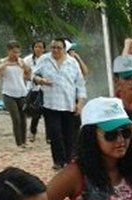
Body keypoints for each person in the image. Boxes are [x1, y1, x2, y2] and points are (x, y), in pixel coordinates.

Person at [32, 37, 87, 169]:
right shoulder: (44, 59)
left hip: (68, 104)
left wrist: (80, 102)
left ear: (64, 49)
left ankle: (69, 160)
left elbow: (80, 83)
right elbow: (32, 75)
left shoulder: (72, 62)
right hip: (50, 104)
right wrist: (40, 80)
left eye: (58, 48)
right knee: (55, 134)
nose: (55, 50)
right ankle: (58, 161)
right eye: (53, 47)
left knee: (70, 135)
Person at [0, 40, 31, 147]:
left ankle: (24, 141)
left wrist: (24, 68)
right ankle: (19, 143)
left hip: (22, 92)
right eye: (13, 52)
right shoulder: (2, 62)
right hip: (8, 93)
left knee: (23, 118)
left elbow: (28, 74)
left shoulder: (21, 61)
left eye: (18, 52)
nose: (16, 54)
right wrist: (0, 68)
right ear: (8, 51)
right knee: (16, 118)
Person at [23, 40, 46, 143]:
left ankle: (49, 136)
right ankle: (32, 132)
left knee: (47, 112)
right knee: (35, 112)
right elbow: (23, 75)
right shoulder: (27, 60)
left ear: (44, 49)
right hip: (32, 88)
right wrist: (33, 78)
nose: (38, 49)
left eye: (41, 47)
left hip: (46, 89)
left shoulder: (48, 60)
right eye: (36, 46)